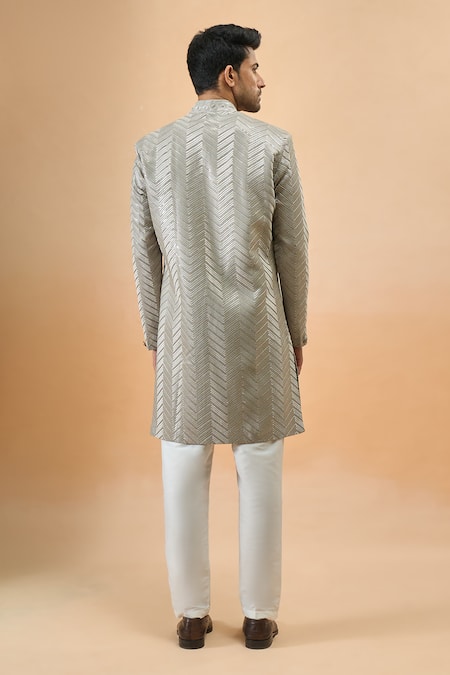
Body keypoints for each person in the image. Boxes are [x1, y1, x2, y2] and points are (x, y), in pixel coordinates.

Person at [131, 23, 308, 650]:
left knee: (182, 466)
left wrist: (156, 335)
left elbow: (145, 254)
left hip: (184, 332)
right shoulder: (273, 144)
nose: (262, 78)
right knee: (259, 468)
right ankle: (258, 618)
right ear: (229, 75)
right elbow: (293, 250)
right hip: (259, 326)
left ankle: (190, 616)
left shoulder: (152, 149)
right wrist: (297, 330)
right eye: (255, 67)